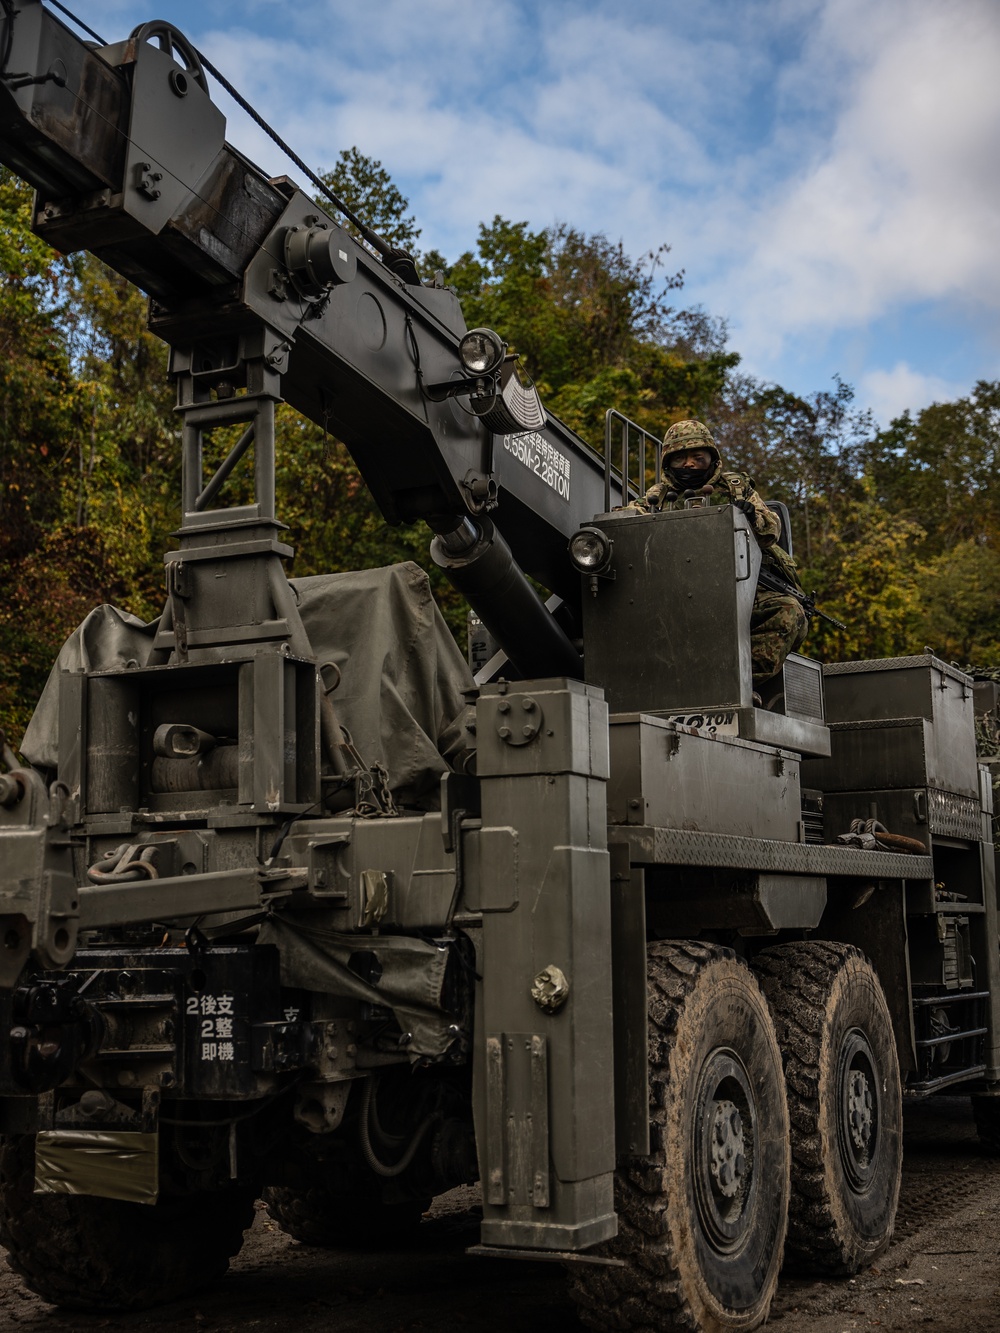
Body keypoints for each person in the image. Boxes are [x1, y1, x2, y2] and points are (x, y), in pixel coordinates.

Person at [632, 418, 809, 688]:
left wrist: (751, 518)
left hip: (739, 586)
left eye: (697, 457)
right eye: (681, 459)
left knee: (789, 611)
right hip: (678, 590)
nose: (689, 464)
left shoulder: (737, 487)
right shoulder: (658, 496)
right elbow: (627, 517)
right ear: (669, 463)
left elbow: (771, 528)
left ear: (712, 460)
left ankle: (737, 684)